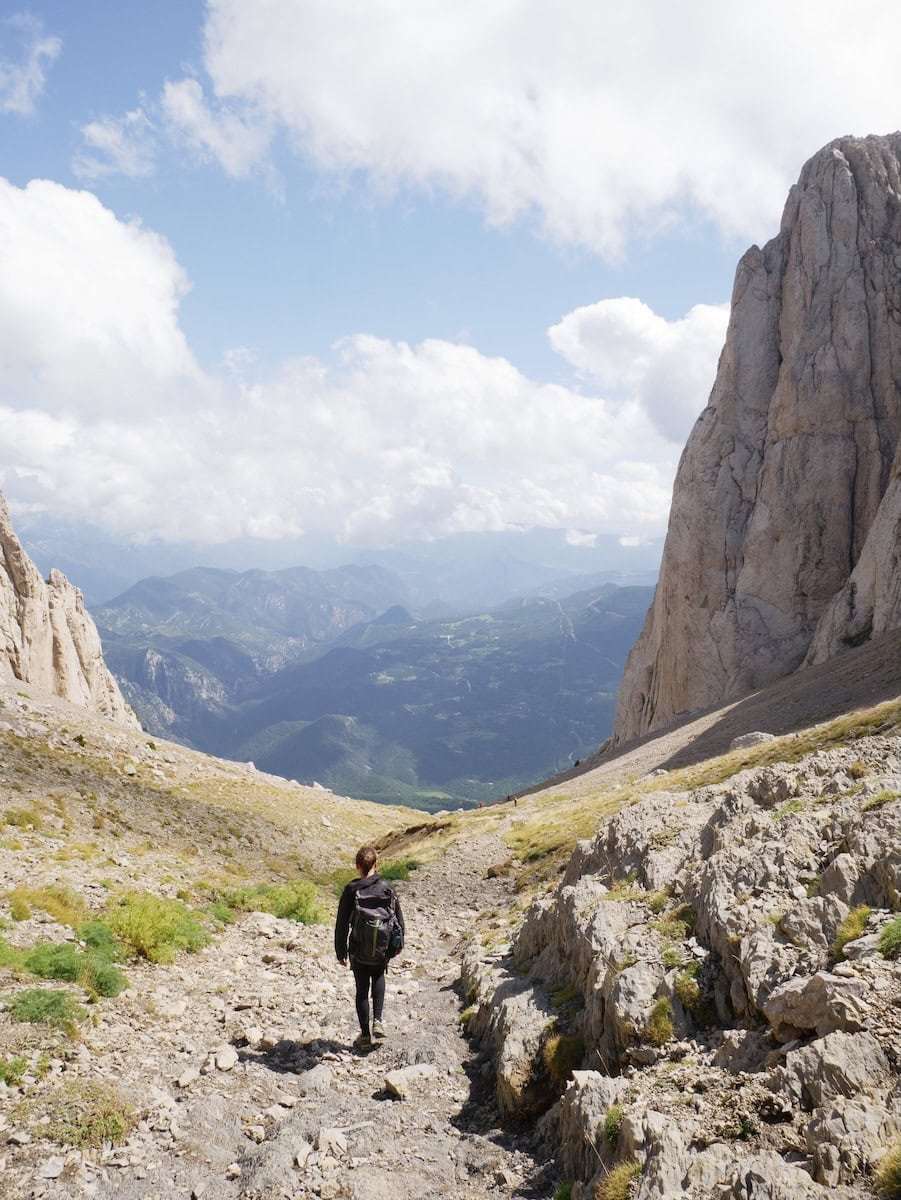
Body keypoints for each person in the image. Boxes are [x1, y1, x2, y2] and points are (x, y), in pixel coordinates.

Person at [334, 845, 405, 1050]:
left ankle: (365, 1036)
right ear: (376, 864)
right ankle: (379, 1020)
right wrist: (398, 944)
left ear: (357, 866)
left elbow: (341, 923)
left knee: (362, 990)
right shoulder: (387, 888)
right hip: (382, 949)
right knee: (379, 976)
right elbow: (398, 918)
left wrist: (340, 951)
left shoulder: (351, 890)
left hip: (358, 949)